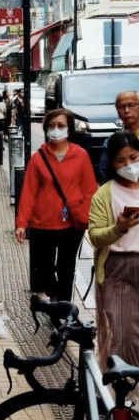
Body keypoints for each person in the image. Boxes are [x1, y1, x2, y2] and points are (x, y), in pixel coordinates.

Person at [15, 108, 97, 301]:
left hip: (72, 223)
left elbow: (90, 190)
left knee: (66, 268)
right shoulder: (38, 157)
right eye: (51, 126)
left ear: (69, 129)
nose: (56, 130)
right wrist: (21, 222)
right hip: (42, 223)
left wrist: (87, 215)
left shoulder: (81, 155)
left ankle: (65, 310)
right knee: (45, 268)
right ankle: (54, 298)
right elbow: (28, 192)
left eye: (61, 126)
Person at [88, 130, 139, 370]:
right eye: (121, 160)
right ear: (111, 162)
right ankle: (127, 394)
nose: (129, 165)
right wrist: (118, 228)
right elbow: (95, 236)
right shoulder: (104, 194)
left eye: (134, 157)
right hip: (117, 270)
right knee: (124, 335)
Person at [98, 90, 139, 181]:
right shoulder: (111, 142)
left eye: (131, 105)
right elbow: (104, 174)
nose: (126, 110)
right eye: (121, 107)